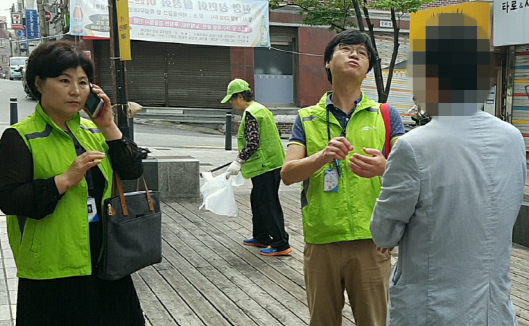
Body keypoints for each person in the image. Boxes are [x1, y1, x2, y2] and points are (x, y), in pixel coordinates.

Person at [370, 13, 526, 326]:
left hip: (432, 310)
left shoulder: (414, 147)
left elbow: (383, 231)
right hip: (493, 308)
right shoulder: (511, 137)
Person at [0, 41, 145, 326]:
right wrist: (63, 181)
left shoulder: (93, 130)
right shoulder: (19, 137)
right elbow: (10, 200)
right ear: (39, 83)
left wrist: (109, 126)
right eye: (64, 80)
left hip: (104, 261)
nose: (76, 91)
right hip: (53, 268)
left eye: (83, 82)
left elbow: (131, 169)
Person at [281, 30, 405, 326]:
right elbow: (287, 174)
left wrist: (384, 167)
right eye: (346, 49)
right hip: (322, 240)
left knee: (374, 321)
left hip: (372, 242)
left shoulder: (386, 115)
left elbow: (409, 175)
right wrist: (322, 156)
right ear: (327, 62)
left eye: (362, 54)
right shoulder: (307, 117)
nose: (354, 55)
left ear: (367, 69)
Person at [222, 78, 291, 256]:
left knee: (268, 204)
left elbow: (253, 142)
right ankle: (261, 236)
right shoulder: (260, 109)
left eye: (232, 99)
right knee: (258, 200)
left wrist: (239, 161)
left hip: (266, 165)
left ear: (239, 96)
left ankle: (281, 243)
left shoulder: (252, 113)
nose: (231, 103)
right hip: (268, 164)